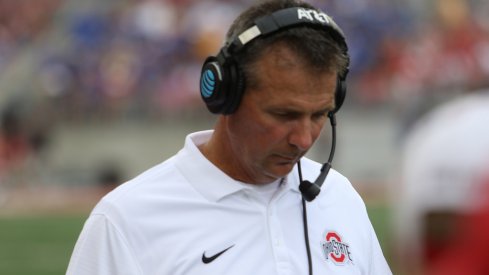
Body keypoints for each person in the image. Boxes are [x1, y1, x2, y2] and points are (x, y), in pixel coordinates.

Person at [66, 1, 392, 274]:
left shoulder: (340, 198)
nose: (304, 139)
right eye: (283, 115)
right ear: (226, 94)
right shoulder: (124, 220)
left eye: (319, 114)